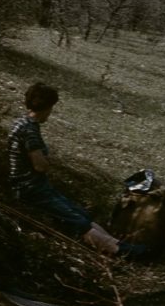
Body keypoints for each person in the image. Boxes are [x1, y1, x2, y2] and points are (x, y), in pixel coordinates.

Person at [8, 82, 146, 259]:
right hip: (30, 188)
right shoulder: (30, 131)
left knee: (80, 214)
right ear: (48, 107)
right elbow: (40, 165)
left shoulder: (21, 122)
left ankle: (116, 243)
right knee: (77, 220)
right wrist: (47, 162)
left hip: (33, 185)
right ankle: (121, 251)